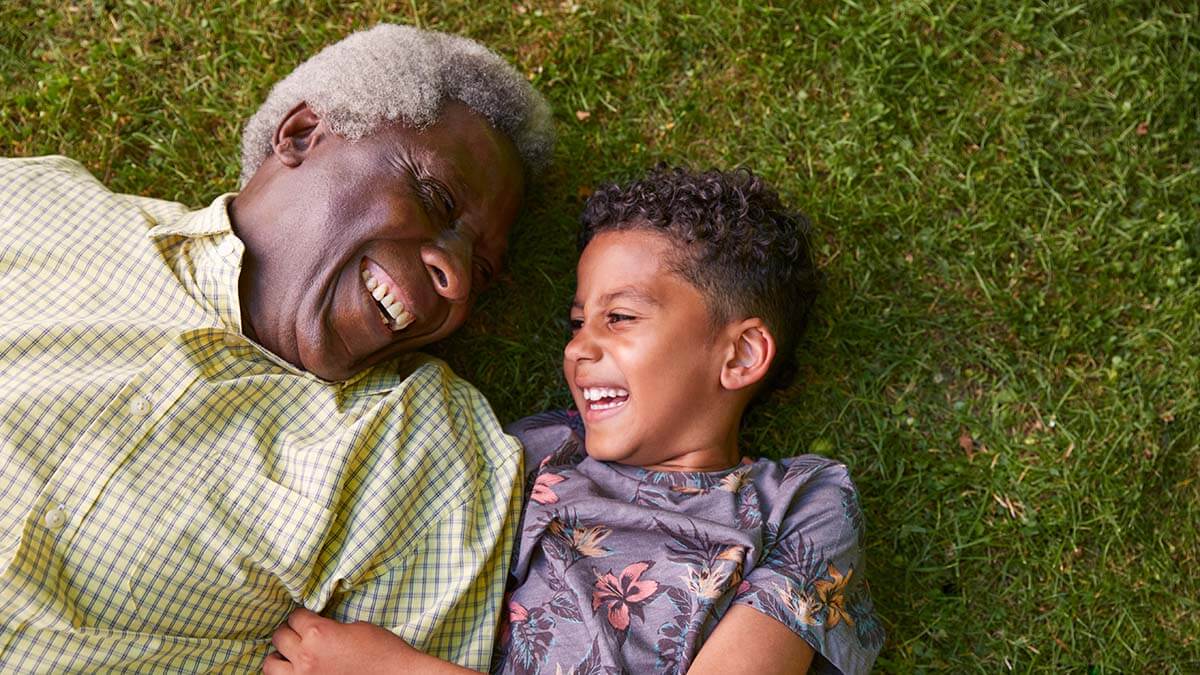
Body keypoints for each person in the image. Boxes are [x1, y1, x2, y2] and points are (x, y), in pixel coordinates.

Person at [0, 24, 552, 671]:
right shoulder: (37, 206)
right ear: (299, 135)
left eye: (480, 271)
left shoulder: (418, 454)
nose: (455, 279)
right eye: (434, 197)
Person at [265, 166, 884, 674]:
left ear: (740, 355)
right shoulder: (539, 449)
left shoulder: (803, 505)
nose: (578, 349)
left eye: (619, 318)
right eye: (577, 321)